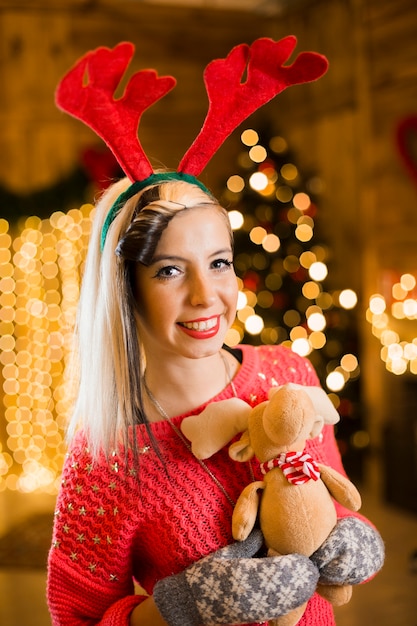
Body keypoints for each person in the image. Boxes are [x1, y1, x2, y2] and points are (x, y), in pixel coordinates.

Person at [47, 38, 384, 626]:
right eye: (171, 270)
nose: (207, 296)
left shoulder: (286, 372)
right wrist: (184, 607)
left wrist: (347, 544)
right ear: (125, 289)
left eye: (219, 262)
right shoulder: (106, 458)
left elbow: (334, 503)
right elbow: (77, 615)